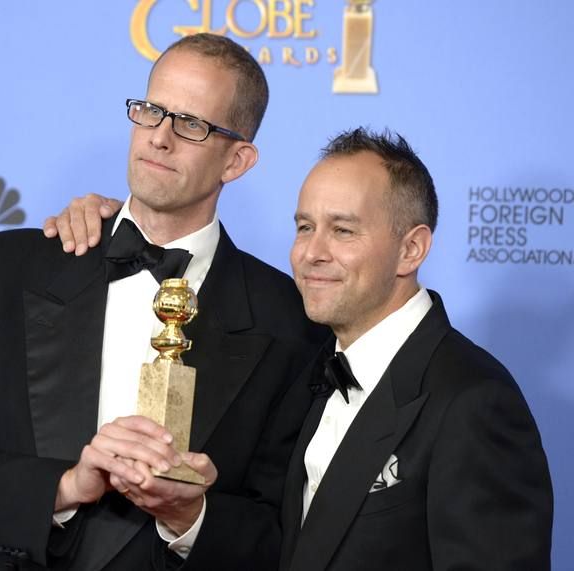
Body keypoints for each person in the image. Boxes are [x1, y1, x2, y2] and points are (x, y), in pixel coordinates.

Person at [0, 33, 325, 570]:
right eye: (151, 111)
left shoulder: (291, 322)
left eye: (191, 124)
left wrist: (191, 519)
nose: (160, 138)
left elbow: (286, 533)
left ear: (236, 161)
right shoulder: (1, 272)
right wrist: (66, 486)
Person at [49, 129, 553, 570]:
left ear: (412, 249)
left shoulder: (472, 401)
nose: (312, 253)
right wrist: (188, 516)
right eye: (305, 226)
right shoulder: (312, 365)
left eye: (343, 230)